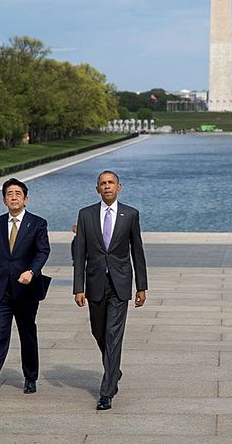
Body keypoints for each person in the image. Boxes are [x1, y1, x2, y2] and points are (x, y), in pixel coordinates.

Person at [72, 170, 148, 410]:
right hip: (95, 283)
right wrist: (78, 287)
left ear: (119, 187)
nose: (107, 187)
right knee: (99, 331)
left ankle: (106, 392)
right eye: (102, 184)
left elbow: (137, 251)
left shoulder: (130, 214)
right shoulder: (85, 215)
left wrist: (141, 286)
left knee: (114, 335)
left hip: (120, 283)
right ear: (97, 189)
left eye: (111, 183)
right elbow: (80, 253)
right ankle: (114, 369)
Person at [0, 178, 51, 404]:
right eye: (9, 194)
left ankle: (30, 377)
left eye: (17, 193)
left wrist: (31, 271)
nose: (13, 197)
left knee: (27, 334)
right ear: (4, 200)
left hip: (26, 289)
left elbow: (43, 251)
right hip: (0, 291)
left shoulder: (37, 223)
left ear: (25, 199)